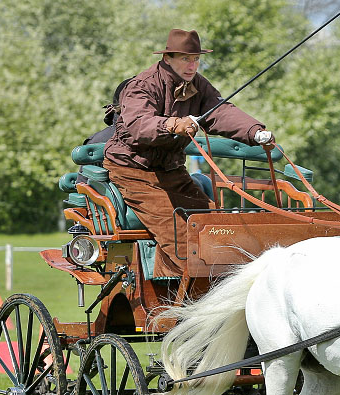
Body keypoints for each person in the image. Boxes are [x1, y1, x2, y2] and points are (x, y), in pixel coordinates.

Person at [103, 28, 275, 278]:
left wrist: (255, 131)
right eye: (185, 58)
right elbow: (140, 124)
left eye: (196, 59)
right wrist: (173, 124)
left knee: (215, 229)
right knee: (184, 243)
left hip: (173, 171)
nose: (192, 65)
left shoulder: (198, 85)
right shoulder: (141, 85)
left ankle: (199, 294)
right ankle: (172, 302)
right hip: (134, 173)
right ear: (167, 58)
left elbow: (220, 111)